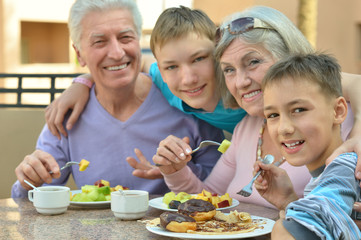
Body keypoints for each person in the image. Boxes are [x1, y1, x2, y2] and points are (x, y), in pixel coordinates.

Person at [152, 5, 358, 210]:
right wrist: (175, 171)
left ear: (289, 58)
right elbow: (209, 200)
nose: (240, 82)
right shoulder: (248, 128)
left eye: (252, 62)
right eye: (229, 70)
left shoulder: (341, 122)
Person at [11, 0, 224, 198]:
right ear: (79, 54)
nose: (116, 52)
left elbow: (221, 188)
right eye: (99, 41)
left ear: (139, 40)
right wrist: (29, 180)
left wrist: (177, 170)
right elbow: (35, 195)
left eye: (125, 38)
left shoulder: (185, 98)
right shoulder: (66, 115)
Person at [255, 53, 361, 239]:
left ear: (338, 111)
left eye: (299, 110)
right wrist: (288, 201)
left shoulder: (344, 168)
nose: (284, 128)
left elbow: (297, 232)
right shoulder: (326, 175)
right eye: (272, 115)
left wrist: (287, 228)